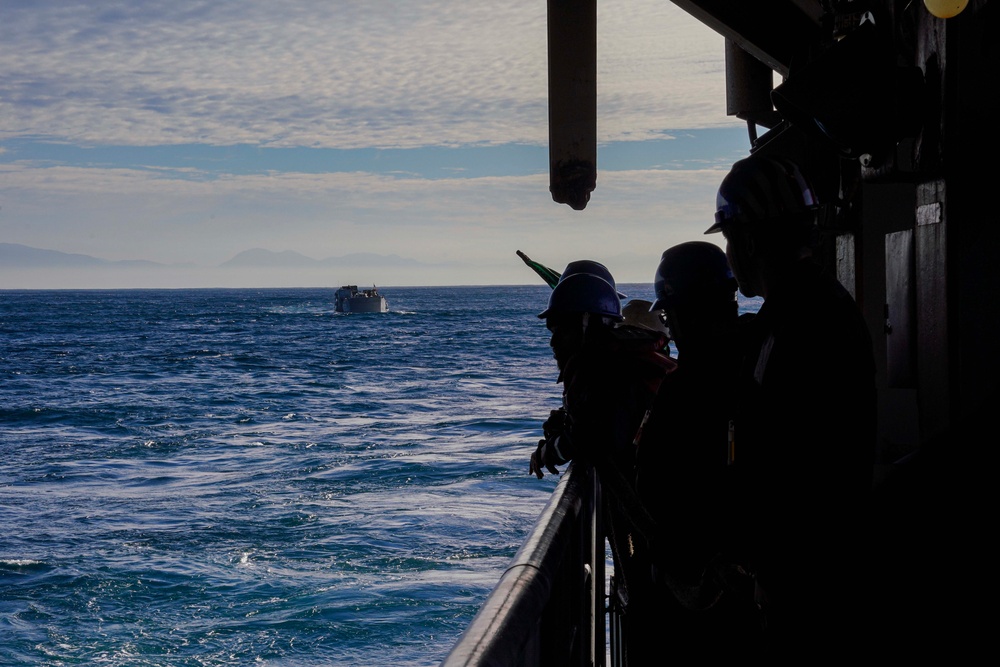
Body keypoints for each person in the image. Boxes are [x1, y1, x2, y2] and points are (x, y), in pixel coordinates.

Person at [705, 153, 877, 657]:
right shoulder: (803, 313)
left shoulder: (804, 324)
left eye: (731, 239)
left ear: (752, 239)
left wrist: (774, 568)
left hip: (810, 587)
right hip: (804, 576)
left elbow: (802, 466)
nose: (731, 254)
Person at [529, 261, 674, 666]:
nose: (553, 340)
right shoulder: (614, 363)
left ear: (589, 324)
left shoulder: (601, 370)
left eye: (561, 328)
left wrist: (550, 450)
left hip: (653, 521)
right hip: (652, 520)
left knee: (652, 620)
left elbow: (594, 440)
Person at [634, 241, 762, 656]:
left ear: (690, 311)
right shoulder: (760, 353)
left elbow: (655, 482)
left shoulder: (687, 385)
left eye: (671, 316)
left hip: (700, 587)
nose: (671, 328)